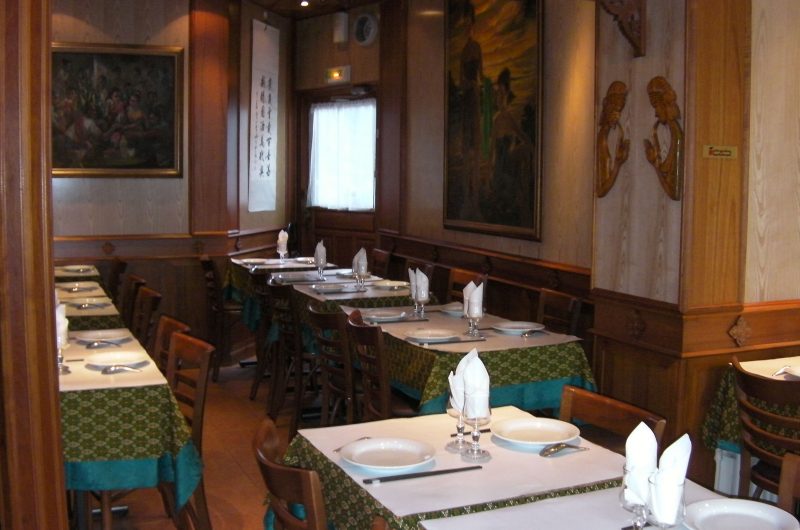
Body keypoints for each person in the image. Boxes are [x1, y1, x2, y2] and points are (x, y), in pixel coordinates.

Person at [596, 81, 630, 197]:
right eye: (614, 106)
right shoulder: (602, 137)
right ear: (606, 104)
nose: (617, 114)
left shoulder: (612, 134)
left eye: (619, 110)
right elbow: (601, 191)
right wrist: (617, 164)